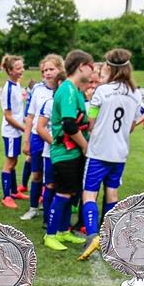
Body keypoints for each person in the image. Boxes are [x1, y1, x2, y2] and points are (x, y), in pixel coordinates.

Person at [78, 48, 144, 260]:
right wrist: (131, 124)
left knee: (89, 193)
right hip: (119, 153)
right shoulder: (135, 93)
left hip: (99, 150)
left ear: (109, 67)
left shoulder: (102, 91)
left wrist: (94, 123)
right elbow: (142, 115)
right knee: (112, 194)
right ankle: (108, 236)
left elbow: (90, 122)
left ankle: (92, 236)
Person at [43, 50, 94, 252]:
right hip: (65, 152)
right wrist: (85, 146)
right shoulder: (67, 90)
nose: (93, 71)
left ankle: (64, 231)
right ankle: (51, 234)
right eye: (91, 66)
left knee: (71, 193)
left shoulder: (76, 90)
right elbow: (69, 126)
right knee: (63, 193)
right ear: (81, 66)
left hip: (74, 152)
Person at [21, 54, 64, 222]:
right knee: (37, 175)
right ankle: (33, 207)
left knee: (55, 176)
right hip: (37, 137)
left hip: (58, 139)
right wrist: (26, 140)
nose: (47, 73)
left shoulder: (65, 89)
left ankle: (54, 207)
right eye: (44, 70)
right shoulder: (37, 89)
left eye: (51, 69)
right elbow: (30, 117)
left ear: (60, 69)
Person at [0, 55, 27, 209]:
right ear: (10, 71)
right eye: (18, 68)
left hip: (16, 130)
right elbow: (8, 116)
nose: (21, 70)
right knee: (9, 162)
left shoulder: (17, 85)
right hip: (11, 131)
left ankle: (14, 190)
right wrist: (24, 128)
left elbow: (17, 112)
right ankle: (6, 196)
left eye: (22, 67)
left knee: (14, 161)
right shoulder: (8, 89)